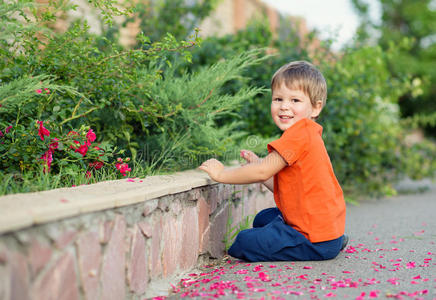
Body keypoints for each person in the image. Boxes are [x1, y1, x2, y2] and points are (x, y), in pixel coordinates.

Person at [198, 61, 348, 262]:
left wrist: (221, 174)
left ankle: (320, 247)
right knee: (263, 219)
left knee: (244, 241)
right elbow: (284, 185)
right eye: (278, 99)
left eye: (295, 100)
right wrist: (260, 165)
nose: (284, 106)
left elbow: (262, 172)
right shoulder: (307, 133)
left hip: (313, 238)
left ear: (315, 108)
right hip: (326, 229)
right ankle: (334, 242)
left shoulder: (299, 134)